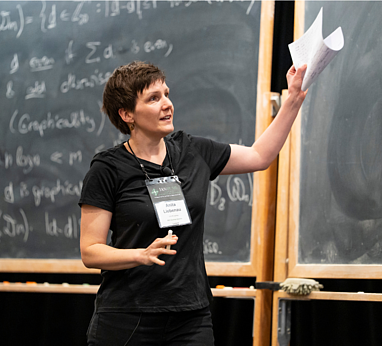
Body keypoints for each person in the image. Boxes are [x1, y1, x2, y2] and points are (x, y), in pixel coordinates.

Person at [79, 61, 307, 345]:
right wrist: (139, 254)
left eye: (166, 94)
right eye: (153, 98)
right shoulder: (107, 168)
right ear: (127, 114)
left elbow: (260, 156)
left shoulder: (192, 151)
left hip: (190, 316)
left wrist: (293, 99)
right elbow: (90, 252)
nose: (167, 104)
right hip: (127, 317)